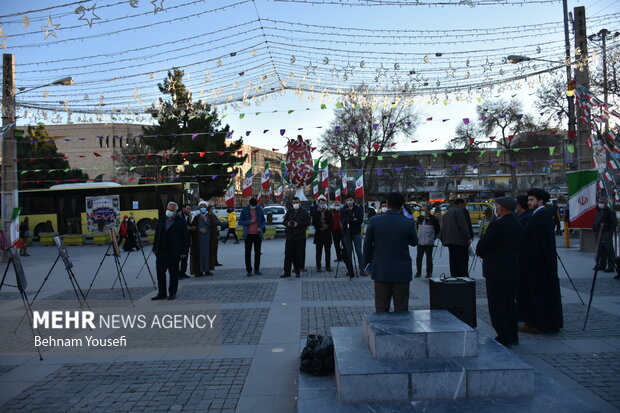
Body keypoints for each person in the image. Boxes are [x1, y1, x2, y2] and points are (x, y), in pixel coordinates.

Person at [476, 196, 523, 347]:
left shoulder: (497, 224)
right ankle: (512, 334)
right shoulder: (517, 222)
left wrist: (483, 252)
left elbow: (483, 245)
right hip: (513, 268)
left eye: (496, 205)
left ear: (502, 208)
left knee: (497, 303)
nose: (495, 208)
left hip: (496, 269)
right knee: (510, 303)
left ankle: (503, 335)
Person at [363, 192, 418, 312]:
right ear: (402, 206)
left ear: (387, 204)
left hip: (381, 270)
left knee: (381, 308)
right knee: (401, 308)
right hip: (402, 271)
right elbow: (414, 242)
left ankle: (381, 331)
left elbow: (367, 245)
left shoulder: (374, 221)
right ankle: (401, 330)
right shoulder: (408, 222)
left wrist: (367, 265)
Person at [518, 188, 563, 334]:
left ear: (540, 201)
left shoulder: (541, 215)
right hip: (536, 263)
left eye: (531, 200)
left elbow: (537, 241)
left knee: (540, 295)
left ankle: (539, 323)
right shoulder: (538, 214)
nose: (529, 202)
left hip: (539, 264)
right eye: (529, 200)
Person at [152, 201, 189, 300]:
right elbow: (157, 234)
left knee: (173, 274)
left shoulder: (180, 221)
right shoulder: (162, 219)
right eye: (168, 210)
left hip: (174, 253)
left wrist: (184, 252)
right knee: (160, 273)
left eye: (171, 210)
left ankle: (172, 293)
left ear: (176, 211)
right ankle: (161, 293)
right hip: (161, 252)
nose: (169, 211)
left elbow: (185, 238)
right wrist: (155, 248)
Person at [439, 198, 473, 277]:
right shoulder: (459, 212)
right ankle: (463, 277)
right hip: (460, 241)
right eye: (464, 205)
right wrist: (468, 237)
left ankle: (454, 277)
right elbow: (463, 226)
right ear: (460, 204)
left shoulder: (447, 212)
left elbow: (443, 227)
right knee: (462, 261)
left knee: (453, 261)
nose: (464, 207)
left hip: (449, 241)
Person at [281, 197, 310, 278]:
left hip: (300, 236)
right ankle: (287, 272)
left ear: (299, 202)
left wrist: (298, 224)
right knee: (288, 255)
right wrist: (288, 223)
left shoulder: (304, 212)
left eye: (296, 202)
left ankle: (297, 271)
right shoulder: (290, 211)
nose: (295, 204)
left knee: (298, 255)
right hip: (290, 236)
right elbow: (284, 221)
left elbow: (307, 222)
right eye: (294, 202)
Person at [239, 198, 266, 276]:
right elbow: (240, 222)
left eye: (255, 205)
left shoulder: (259, 209)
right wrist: (250, 221)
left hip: (258, 234)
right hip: (248, 235)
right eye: (252, 205)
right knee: (247, 253)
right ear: (249, 204)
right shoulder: (245, 210)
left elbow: (263, 220)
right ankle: (249, 270)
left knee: (257, 253)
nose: (254, 207)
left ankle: (257, 269)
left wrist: (261, 227)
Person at [341, 195, 365, 277]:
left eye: (350, 200)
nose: (349, 201)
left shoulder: (358, 208)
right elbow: (343, 221)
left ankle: (362, 269)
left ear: (353, 200)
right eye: (347, 200)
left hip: (356, 233)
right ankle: (350, 270)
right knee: (348, 253)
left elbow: (360, 220)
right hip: (346, 233)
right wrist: (353, 219)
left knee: (359, 252)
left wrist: (351, 220)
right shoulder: (343, 209)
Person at [593, 197, 617, 273]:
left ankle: (611, 266)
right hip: (598, 233)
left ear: (606, 203)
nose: (600, 204)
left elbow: (614, 223)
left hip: (606, 233)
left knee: (609, 250)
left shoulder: (610, 212)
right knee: (600, 251)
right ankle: (601, 264)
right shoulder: (599, 211)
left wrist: (610, 233)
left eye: (602, 202)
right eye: (600, 202)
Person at [415, 204, 440, 278]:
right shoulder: (420, 218)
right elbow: (417, 228)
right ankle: (418, 272)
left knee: (429, 258)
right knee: (418, 258)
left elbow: (437, 229)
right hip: (420, 242)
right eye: (422, 210)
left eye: (424, 210)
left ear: (428, 211)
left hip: (429, 242)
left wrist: (433, 237)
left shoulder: (433, 219)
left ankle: (429, 273)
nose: (422, 211)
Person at [190, 201, 212, 276]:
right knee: (199, 255)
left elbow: (213, 224)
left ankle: (207, 270)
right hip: (198, 239)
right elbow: (193, 227)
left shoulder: (210, 216)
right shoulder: (196, 217)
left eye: (204, 206)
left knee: (207, 254)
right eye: (201, 207)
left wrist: (205, 219)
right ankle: (199, 270)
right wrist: (199, 229)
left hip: (208, 239)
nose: (202, 208)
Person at [312, 195, 333, 272]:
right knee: (318, 252)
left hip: (327, 234)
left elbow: (331, 222)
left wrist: (327, 226)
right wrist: (320, 227)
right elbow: (314, 222)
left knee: (328, 252)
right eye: (321, 203)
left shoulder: (328, 212)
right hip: (319, 234)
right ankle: (318, 266)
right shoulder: (315, 212)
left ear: (325, 203)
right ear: (318, 203)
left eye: (323, 203)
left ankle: (328, 266)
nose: (322, 204)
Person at [178, 203, 193, 279]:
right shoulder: (179, 216)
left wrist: (191, 227)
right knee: (178, 258)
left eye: (190, 209)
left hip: (186, 240)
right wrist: (186, 228)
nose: (189, 210)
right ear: (183, 208)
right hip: (180, 241)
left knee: (185, 257)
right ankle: (177, 274)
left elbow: (188, 225)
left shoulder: (188, 216)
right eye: (187, 209)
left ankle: (183, 272)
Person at [207, 205, 222, 270]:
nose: (212, 210)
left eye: (213, 209)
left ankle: (215, 261)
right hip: (209, 234)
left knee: (215, 248)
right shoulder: (206, 216)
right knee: (211, 249)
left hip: (215, 233)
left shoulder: (213, 215)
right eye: (211, 209)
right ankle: (211, 263)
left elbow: (218, 222)